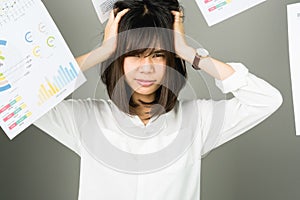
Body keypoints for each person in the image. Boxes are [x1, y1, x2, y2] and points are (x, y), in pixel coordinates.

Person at [34, 0, 283, 199]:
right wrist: (102, 52)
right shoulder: (84, 120)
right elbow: (27, 96)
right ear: (118, 60)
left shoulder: (198, 121)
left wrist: (189, 53)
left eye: (158, 55)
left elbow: (265, 99)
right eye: (134, 55)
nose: (146, 68)